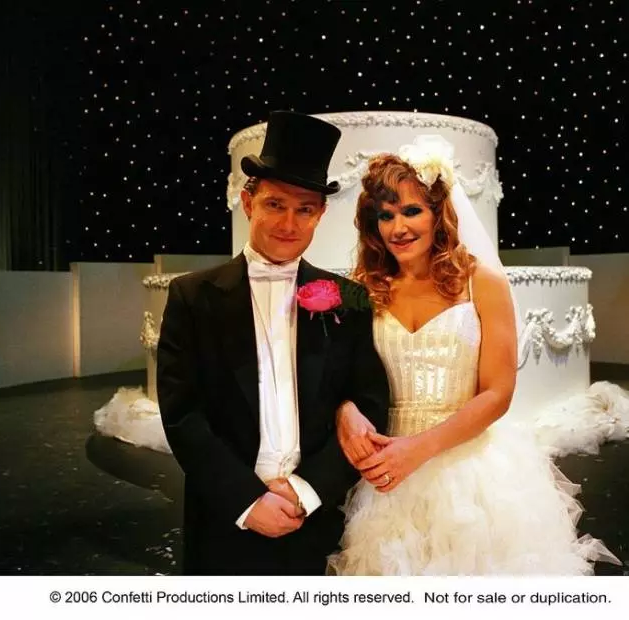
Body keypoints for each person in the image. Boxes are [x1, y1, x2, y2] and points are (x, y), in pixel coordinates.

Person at [327, 137, 621, 575]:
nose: (398, 228)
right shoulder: (367, 288)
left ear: (438, 212)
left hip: (470, 471)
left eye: (412, 211)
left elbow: (498, 393)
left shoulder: (481, 282)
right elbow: (343, 375)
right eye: (385, 216)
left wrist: (418, 450)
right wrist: (346, 410)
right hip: (387, 469)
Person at [155, 110, 389, 575]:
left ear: (321, 214)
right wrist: (246, 500)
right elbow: (183, 414)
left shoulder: (349, 299)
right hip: (225, 517)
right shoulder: (192, 296)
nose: (289, 222)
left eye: (305, 209)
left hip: (319, 518)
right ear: (248, 202)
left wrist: (307, 490)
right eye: (275, 204)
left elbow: (369, 404)